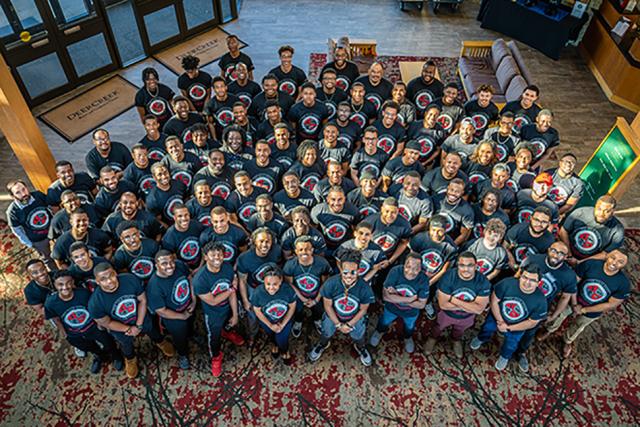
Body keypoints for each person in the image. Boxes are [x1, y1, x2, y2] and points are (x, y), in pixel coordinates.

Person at [88, 263, 176, 379]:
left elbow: (142, 301)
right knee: (126, 344)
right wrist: (129, 329)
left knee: (152, 330)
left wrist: (138, 325)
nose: (109, 281)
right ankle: (130, 359)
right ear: (97, 282)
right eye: (103, 279)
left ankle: (160, 342)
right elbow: (107, 323)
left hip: (140, 316)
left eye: (111, 275)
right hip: (120, 328)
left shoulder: (129, 279)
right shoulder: (95, 302)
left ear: (115, 273)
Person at [538, 249, 630, 358]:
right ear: (607, 256)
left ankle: (568, 341)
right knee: (559, 314)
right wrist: (574, 303)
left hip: (593, 310)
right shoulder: (591, 264)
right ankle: (549, 330)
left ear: (624, 265)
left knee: (578, 326)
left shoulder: (623, 284)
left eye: (620, 262)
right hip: (574, 299)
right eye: (613, 257)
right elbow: (573, 284)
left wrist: (583, 310)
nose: (614, 263)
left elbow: (610, 304)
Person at [470, 263, 547, 371]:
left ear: (539, 283)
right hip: (497, 316)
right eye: (525, 277)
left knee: (511, 344)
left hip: (517, 326)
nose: (527, 282)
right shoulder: (507, 283)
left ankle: (504, 356)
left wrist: (509, 328)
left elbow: (532, 322)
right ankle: (481, 338)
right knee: (487, 327)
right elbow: (494, 300)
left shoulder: (541, 301)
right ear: (520, 276)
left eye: (532, 280)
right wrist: (500, 321)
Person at [514, 242, 576, 371]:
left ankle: (521, 352)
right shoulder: (533, 259)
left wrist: (554, 315)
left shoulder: (569, 275)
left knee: (529, 332)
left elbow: (565, 297)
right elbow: (517, 276)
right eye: (554, 250)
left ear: (565, 257)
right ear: (548, 250)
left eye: (561, 253)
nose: (556, 255)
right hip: (519, 300)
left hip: (539, 309)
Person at [45, 271, 123, 374]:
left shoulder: (83, 294)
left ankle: (116, 356)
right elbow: (55, 318)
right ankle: (100, 356)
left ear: (72, 282)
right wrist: (64, 332)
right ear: (55, 285)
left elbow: (95, 309)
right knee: (88, 347)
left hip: (94, 327)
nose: (65, 287)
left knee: (108, 342)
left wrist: (100, 324)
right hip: (73, 333)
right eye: (60, 284)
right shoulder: (50, 303)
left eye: (68, 283)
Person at [308, 249, 375, 366]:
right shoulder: (331, 283)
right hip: (333, 316)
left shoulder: (364, 288)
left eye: (353, 272)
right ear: (340, 269)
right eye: (345, 272)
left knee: (358, 336)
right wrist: (338, 324)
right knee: (326, 333)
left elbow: (363, 309)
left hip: (355, 318)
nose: (349, 276)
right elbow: (327, 306)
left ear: (359, 270)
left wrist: (349, 324)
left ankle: (361, 348)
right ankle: (322, 345)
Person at [193, 241, 244, 377]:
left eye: (220, 255)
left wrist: (235, 314)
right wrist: (232, 289)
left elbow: (232, 294)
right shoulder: (199, 280)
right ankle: (216, 357)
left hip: (227, 306)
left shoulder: (227, 268)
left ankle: (227, 332)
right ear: (205, 257)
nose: (217, 258)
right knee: (213, 337)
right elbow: (213, 300)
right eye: (213, 255)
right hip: (213, 313)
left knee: (230, 323)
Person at [425, 251, 490, 358]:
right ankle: (433, 338)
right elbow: (444, 305)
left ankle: (455, 340)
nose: (466, 269)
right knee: (438, 327)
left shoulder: (483, 282)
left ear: (476, 266)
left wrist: (454, 300)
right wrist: (470, 305)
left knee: (460, 330)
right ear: (458, 265)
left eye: (470, 265)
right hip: (446, 313)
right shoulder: (448, 277)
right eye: (462, 265)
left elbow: (479, 310)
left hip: (467, 317)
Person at [369, 253, 428, 353]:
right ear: (403, 265)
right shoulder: (395, 271)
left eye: (416, 268)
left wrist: (396, 295)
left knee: (409, 326)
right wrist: (409, 299)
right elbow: (386, 296)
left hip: (411, 312)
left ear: (420, 269)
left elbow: (421, 304)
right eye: (408, 267)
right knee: (384, 321)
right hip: (391, 308)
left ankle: (407, 337)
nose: (411, 271)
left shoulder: (423, 279)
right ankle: (379, 331)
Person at [147, 250, 195, 369]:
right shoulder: (154, 286)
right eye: (164, 263)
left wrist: (194, 301)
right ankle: (183, 354)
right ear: (156, 265)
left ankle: (191, 334)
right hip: (174, 317)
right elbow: (161, 310)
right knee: (180, 338)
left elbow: (190, 278)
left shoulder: (179, 265)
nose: (169, 266)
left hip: (189, 306)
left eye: (171, 262)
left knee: (190, 326)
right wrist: (182, 316)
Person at [236, 228, 282, 343]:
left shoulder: (276, 251)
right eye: (261, 241)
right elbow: (242, 281)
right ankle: (253, 334)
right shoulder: (245, 258)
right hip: (254, 288)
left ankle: (271, 332)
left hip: (271, 287)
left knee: (272, 310)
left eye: (268, 241)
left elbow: (280, 267)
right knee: (252, 315)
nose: (265, 245)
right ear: (254, 242)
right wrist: (246, 300)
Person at [283, 236, 332, 338]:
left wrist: (316, 299)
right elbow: (290, 284)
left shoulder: (321, 263)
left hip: (317, 293)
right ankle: (298, 321)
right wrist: (302, 298)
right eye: (300, 249)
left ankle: (317, 320)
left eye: (307, 249)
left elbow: (325, 283)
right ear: (296, 251)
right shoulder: (290, 265)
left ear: (312, 250)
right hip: (299, 294)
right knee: (298, 310)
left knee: (318, 309)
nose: (304, 252)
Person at [251, 267, 297, 364]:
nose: (271, 288)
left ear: (280, 281)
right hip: (267, 321)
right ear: (263, 281)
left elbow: (292, 306)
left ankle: (285, 351)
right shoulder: (257, 292)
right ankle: (274, 345)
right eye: (268, 284)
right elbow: (257, 310)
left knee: (282, 339)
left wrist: (283, 324)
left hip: (285, 320)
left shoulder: (288, 290)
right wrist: (270, 325)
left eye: (275, 284)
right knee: (271, 335)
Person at [559, 195, 625, 262]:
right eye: (599, 209)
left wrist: (581, 262)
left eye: (607, 211)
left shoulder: (618, 231)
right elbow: (563, 231)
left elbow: (606, 254)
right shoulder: (580, 212)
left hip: (591, 260)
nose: (601, 214)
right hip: (567, 248)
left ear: (613, 212)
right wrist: (569, 255)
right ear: (595, 206)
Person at [6, 180, 55, 270]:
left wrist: (57, 225)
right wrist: (29, 243)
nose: (23, 193)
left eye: (24, 189)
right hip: (38, 240)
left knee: (63, 250)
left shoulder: (38, 195)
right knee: (48, 260)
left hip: (53, 230)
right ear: (13, 196)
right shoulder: (12, 211)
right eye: (18, 192)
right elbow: (17, 230)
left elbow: (51, 207)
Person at [310, 186, 359, 254]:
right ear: (328, 199)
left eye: (340, 199)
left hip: (344, 248)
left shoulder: (353, 211)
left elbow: (356, 230)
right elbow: (312, 229)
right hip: (325, 247)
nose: (336, 203)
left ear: (344, 199)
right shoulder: (318, 211)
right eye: (333, 199)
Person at [363, 197, 411, 264]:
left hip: (390, 256)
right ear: (382, 209)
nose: (389, 215)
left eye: (393, 212)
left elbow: (403, 243)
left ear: (398, 211)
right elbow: (362, 241)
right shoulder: (369, 222)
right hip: (371, 256)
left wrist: (390, 261)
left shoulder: (405, 225)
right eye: (387, 211)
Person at [161, 204, 204, 271]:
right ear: (174, 218)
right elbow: (172, 258)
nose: (184, 218)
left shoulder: (196, 225)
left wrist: (200, 267)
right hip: (183, 270)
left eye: (186, 215)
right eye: (180, 216)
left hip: (201, 265)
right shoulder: (169, 237)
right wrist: (189, 271)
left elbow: (204, 246)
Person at [432, 178, 474, 247]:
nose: (453, 193)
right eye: (451, 190)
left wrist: (452, 245)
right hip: (432, 234)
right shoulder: (436, 199)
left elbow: (464, 233)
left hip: (450, 239)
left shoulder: (467, 210)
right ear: (447, 188)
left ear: (462, 192)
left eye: (457, 192)